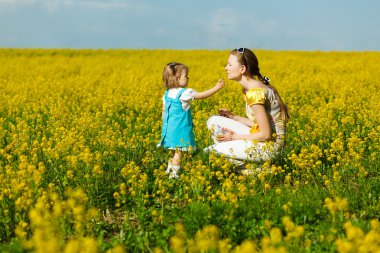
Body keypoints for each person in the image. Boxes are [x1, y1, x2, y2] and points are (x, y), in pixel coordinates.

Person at [205, 48, 289, 165]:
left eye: (230, 64)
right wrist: (233, 117)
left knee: (212, 151)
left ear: (242, 69)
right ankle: (249, 162)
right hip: (263, 139)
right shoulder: (249, 89)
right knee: (213, 122)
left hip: (271, 147)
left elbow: (266, 135)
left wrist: (234, 137)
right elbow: (260, 124)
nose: (226, 68)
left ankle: (260, 171)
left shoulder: (255, 92)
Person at [158, 62, 225, 178]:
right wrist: (216, 88)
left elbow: (164, 112)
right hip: (180, 129)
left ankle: (170, 168)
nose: (188, 78)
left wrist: (165, 126)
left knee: (175, 151)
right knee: (179, 152)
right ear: (177, 78)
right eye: (186, 76)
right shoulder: (185, 93)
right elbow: (202, 95)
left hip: (168, 129)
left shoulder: (167, 94)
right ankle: (173, 175)